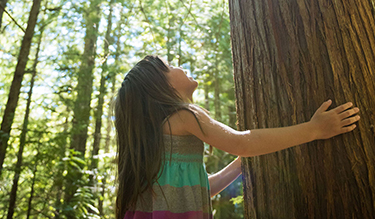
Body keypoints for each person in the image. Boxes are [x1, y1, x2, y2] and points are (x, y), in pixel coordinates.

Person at [114, 55, 360, 219]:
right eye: (168, 67)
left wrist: (241, 164)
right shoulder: (184, 115)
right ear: (161, 86)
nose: (177, 65)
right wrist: (314, 129)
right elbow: (242, 142)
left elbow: (198, 190)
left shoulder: (159, 142)